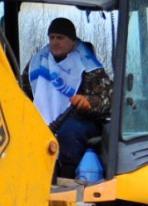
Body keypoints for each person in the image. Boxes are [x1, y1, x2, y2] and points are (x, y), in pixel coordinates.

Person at [21, 17, 112, 178]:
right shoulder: (38, 62)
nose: (55, 42)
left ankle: (66, 177)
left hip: (81, 120)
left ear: (72, 41)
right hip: (43, 117)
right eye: (52, 37)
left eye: (60, 38)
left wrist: (88, 102)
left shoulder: (88, 65)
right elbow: (23, 91)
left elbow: (107, 98)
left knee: (69, 131)